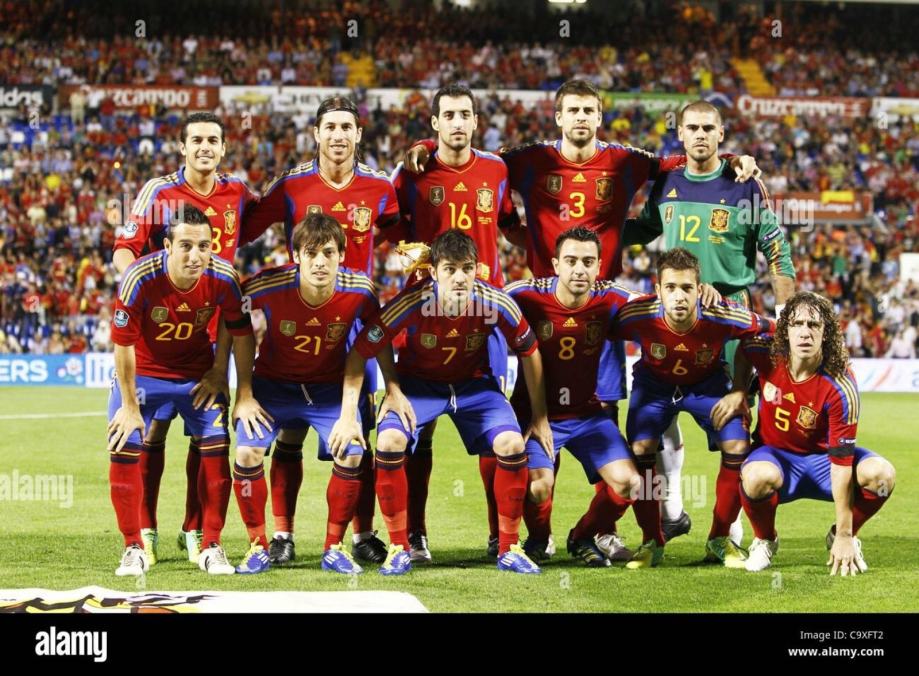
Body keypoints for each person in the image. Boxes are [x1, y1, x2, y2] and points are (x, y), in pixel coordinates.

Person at [329, 230, 553, 575]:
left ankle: (509, 548)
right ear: (433, 272)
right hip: (419, 387)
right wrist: (389, 390)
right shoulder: (412, 301)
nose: (459, 278)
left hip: (474, 387)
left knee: (511, 443)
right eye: (450, 269)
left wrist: (539, 417)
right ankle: (399, 548)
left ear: (477, 269)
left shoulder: (496, 301)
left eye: (466, 268)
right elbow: (362, 349)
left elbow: (530, 350)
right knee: (389, 441)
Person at [112, 111, 259, 565]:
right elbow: (124, 250)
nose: (205, 148)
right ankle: (145, 531)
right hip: (158, 333)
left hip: (211, 339)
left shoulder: (238, 193)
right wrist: (145, 290)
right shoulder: (158, 192)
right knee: (150, 430)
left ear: (223, 147)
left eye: (213, 140)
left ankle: (196, 532)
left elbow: (283, 205)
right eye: (196, 140)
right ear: (182, 147)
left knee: (207, 438)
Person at [230, 213, 388, 575]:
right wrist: (243, 394)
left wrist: (373, 399)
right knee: (247, 451)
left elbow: (374, 340)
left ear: (341, 255)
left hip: (328, 389)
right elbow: (231, 316)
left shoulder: (361, 291)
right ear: (296, 255)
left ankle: (333, 547)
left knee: (352, 451)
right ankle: (260, 545)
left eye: (328, 253)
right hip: (273, 386)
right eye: (311, 253)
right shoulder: (267, 285)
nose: (320, 262)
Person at [712, 292, 896, 574]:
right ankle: (765, 540)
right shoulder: (766, 350)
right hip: (775, 458)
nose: (805, 332)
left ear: (826, 333)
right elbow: (744, 350)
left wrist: (845, 532)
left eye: (814, 325)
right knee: (755, 476)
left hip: (826, 464)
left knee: (882, 476)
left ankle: (841, 537)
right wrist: (739, 389)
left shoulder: (840, 384)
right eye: (797, 324)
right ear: (785, 329)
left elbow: (841, 464)